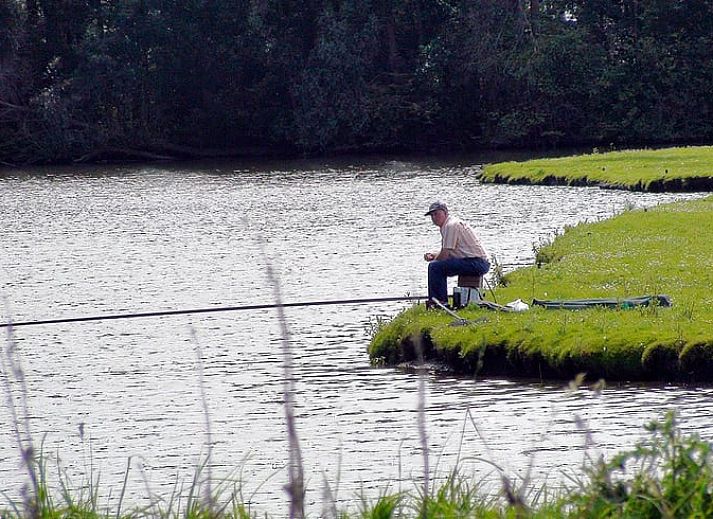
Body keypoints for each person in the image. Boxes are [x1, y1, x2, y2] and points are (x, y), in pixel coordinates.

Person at [423, 201, 490, 307]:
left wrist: (435, 259)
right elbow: (449, 251)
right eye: (432, 215)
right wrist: (433, 254)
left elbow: (445, 255)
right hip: (474, 261)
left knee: (435, 267)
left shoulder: (451, 225)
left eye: (436, 214)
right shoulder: (448, 226)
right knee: (437, 265)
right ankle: (439, 301)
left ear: (445, 213)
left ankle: (438, 302)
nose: (434, 217)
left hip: (477, 263)